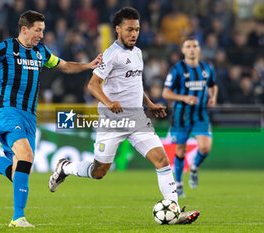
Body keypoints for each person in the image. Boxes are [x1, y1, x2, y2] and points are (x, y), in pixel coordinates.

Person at [48, 7, 199, 224]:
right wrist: (108, 103)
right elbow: (92, 85)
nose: (134, 34)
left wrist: (149, 104)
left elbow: (135, 86)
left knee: (162, 160)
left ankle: (173, 210)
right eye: (129, 29)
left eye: (137, 29)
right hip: (112, 121)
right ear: (118, 29)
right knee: (98, 171)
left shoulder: (137, 53)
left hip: (137, 119)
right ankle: (65, 167)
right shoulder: (111, 54)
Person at [0, 10, 102, 228]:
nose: (41, 35)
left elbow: (63, 65)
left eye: (42, 30)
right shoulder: (5, 48)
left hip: (29, 115)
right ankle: (18, 218)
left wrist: (87, 66)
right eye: (38, 30)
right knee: (26, 154)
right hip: (7, 110)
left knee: (21, 170)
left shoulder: (41, 52)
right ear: (24, 29)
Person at [162, 37, 218, 197]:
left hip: (200, 115)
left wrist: (213, 97)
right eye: (188, 46)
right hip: (181, 115)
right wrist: (184, 98)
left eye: (195, 46)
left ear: (199, 49)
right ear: (183, 50)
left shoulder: (207, 68)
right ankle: (178, 185)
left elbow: (213, 85)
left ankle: (194, 168)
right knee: (180, 151)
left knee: (205, 147)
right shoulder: (177, 69)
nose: (192, 49)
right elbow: (165, 93)